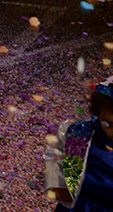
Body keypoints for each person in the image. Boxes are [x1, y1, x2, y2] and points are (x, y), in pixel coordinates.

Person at [44, 76, 113, 211]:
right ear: (98, 113)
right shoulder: (82, 132)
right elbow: (56, 155)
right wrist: (57, 184)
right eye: (109, 124)